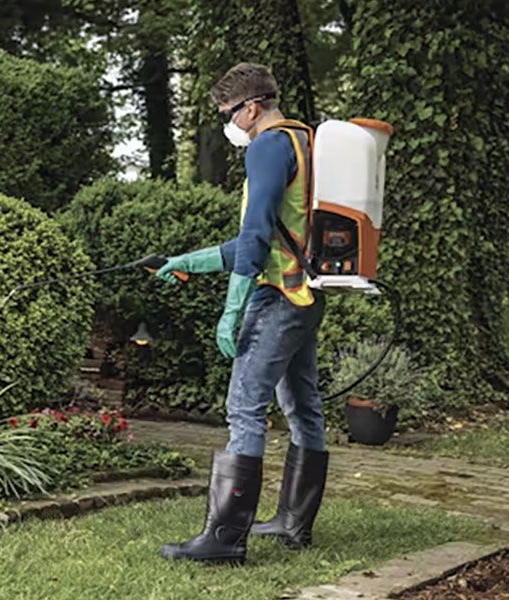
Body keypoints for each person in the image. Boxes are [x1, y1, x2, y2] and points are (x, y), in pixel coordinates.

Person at [155, 62, 328, 564]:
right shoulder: (304, 141)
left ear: (252, 107)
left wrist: (232, 311)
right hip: (306, 294)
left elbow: (256, 237)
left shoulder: (267, 146)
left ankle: (224, 540)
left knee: (244, 409)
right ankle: (294, 525)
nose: (229, 124)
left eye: (229, 114)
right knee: (303, 406)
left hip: (277, 297)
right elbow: (277, 235)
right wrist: (189, 261)